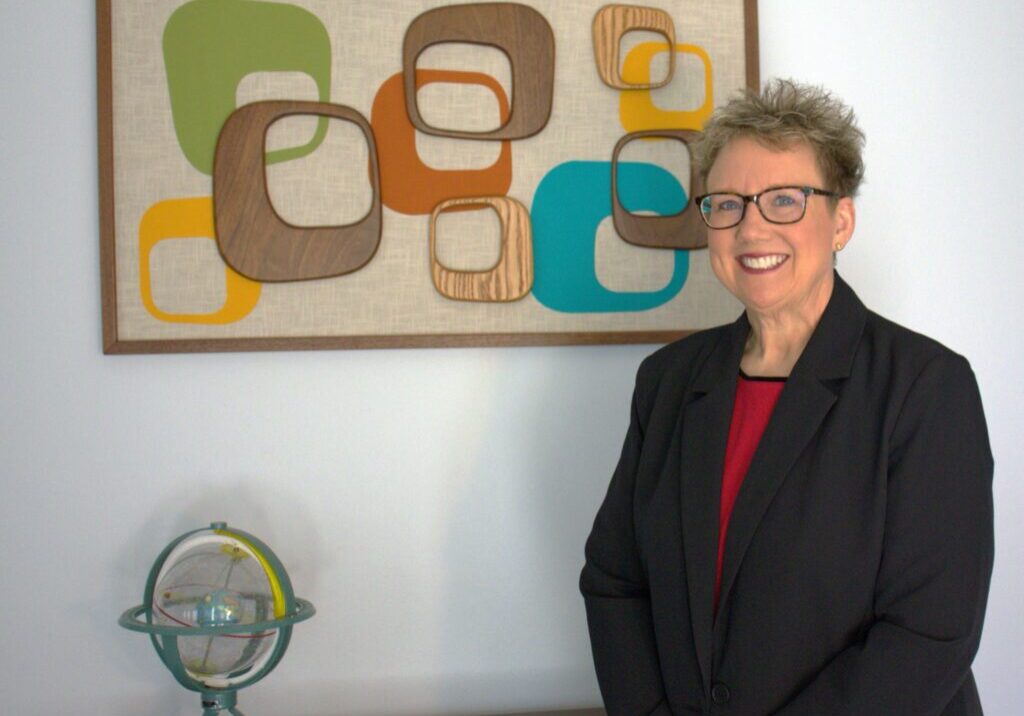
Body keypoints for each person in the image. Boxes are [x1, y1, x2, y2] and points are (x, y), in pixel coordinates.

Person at [580, 79, 994, 715]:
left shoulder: (925, 387)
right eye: (727, 204)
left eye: (783, 200)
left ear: (841, 222)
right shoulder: (666, 381)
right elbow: (615, 580)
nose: (751, 228)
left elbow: (928, 633)